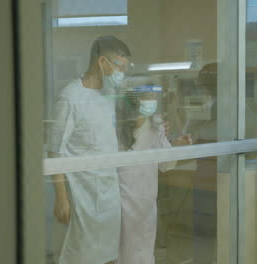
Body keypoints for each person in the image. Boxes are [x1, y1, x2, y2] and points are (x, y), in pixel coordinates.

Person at [48, 35, 132, 264]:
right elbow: (55, 151)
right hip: (81, 195)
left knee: (109, 256)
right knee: (80, 256)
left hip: (108, 194)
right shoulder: (70, 97)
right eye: (119, 66)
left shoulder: (108, 97)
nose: (122, 73)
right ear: (102, 62)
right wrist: (61, 197)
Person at [116, 85, 192, 264]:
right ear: (134, 101)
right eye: (147, 97)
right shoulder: (118, 128)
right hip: (122, 197)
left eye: (153, 97)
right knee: (123, 250)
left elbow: (165, 163)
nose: (152, 101)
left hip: (147, 199)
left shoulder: (156, 125)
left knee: (144, 248)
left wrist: (178, 146)